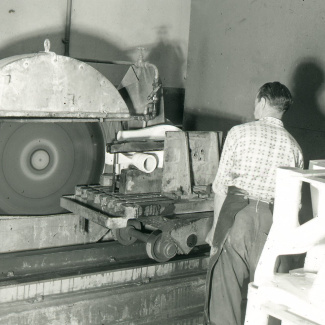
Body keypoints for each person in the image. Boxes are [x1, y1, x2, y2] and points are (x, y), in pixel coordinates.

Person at [204, 82, 304, 325]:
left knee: (224, 295)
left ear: (262, 101)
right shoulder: (294, 147)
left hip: (237, 216)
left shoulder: (239, 133)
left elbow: (221, 187)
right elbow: (294, 204)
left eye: (255, 102)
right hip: (272, 222)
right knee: (267, 298)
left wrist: (216, 233)